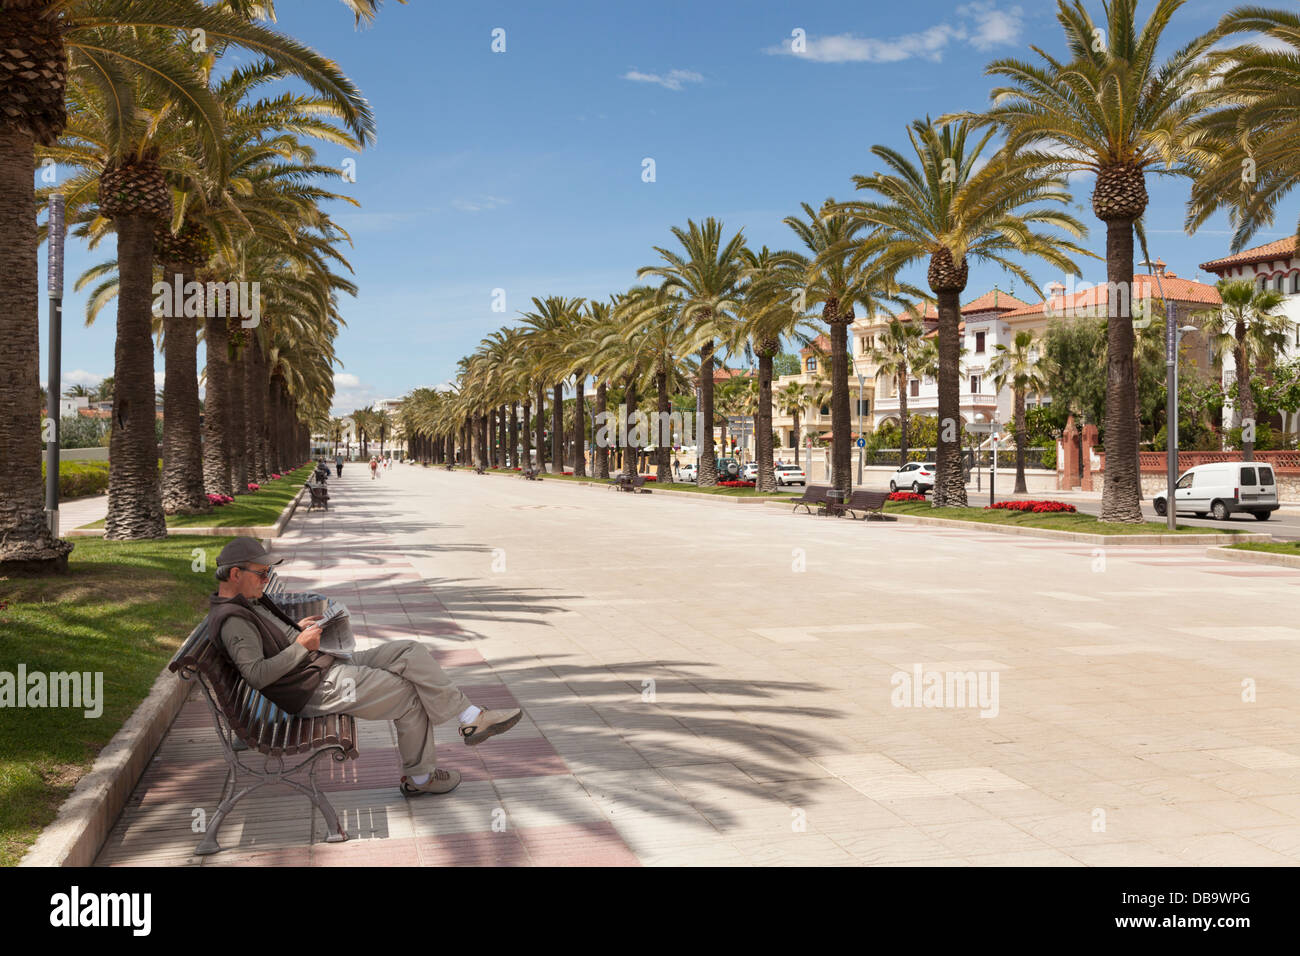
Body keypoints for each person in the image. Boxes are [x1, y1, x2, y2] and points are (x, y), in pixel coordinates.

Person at [207, 537, 522, 796]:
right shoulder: (234, 621)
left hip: (319, 666)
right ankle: (421, 778)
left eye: (268, 574)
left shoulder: (246, 602)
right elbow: (257, 675)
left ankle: (471, 717)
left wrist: (296, 629)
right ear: (235, 574)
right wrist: (301, 645)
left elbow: (270, 642)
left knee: (409, 652)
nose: (266, 579)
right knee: (409, 695)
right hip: (314, 687)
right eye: (262, 573)